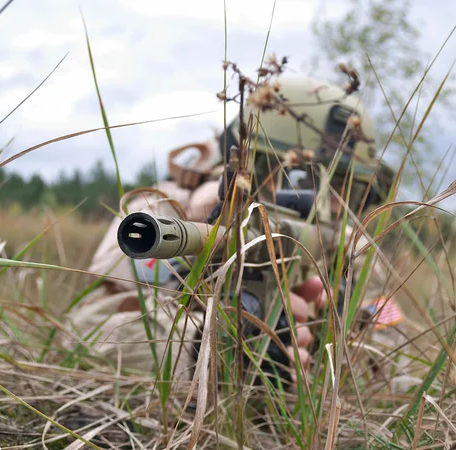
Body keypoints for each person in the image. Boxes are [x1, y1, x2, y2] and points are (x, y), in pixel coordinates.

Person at [64, 74, 411, 393]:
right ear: (243, 165)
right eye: (301, 179)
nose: (329, 205)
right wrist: (210, 350)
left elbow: (395, 361)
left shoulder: (351, 250)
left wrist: (331, 336)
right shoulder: (164, 214)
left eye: (346, 190)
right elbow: (86, 330)